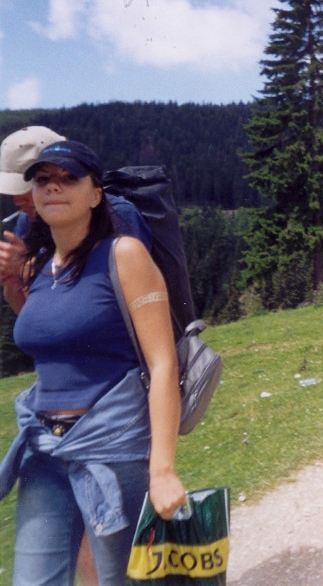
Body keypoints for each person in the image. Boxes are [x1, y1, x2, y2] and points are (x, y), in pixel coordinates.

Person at [0, 141, 187, 584]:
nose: (53, 187)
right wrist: (13, 282)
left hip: (112, 448)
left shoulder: (124, 254)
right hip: (44, 449)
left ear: (95, 194)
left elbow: (162, 363)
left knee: (125, 579)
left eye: (69, 178)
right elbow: (49, 333)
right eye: (43, 180)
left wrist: (162, 469)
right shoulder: (40, 266)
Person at [0, 126, 152, 313]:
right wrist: (14, 281)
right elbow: (31, 317)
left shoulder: (118, 215)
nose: (17, 200)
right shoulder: (27, 221)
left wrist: (28, 272)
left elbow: (119, 306)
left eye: (28, 186)